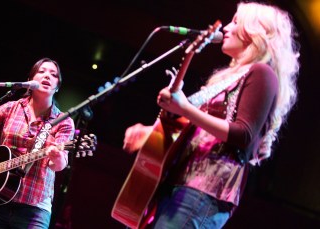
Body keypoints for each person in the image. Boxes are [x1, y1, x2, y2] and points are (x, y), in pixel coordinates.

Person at [122, 2, 299, 228]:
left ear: (255, 32)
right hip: (179, 182)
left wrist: (185, 108)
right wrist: (152, 134)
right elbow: (197, 131)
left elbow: (243, 134)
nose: (225, 27)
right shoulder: (229, 77)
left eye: (235, 22)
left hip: (205, 188)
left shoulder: (262, 73)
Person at [0, 57, 75, 228]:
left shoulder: (63, 121)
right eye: (42, 71)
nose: (47, 76)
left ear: (57, 86)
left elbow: (57, 165)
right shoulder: (10, 108)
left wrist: (57, 156)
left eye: (53, 74)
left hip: (34, 209)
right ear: (30, 81)